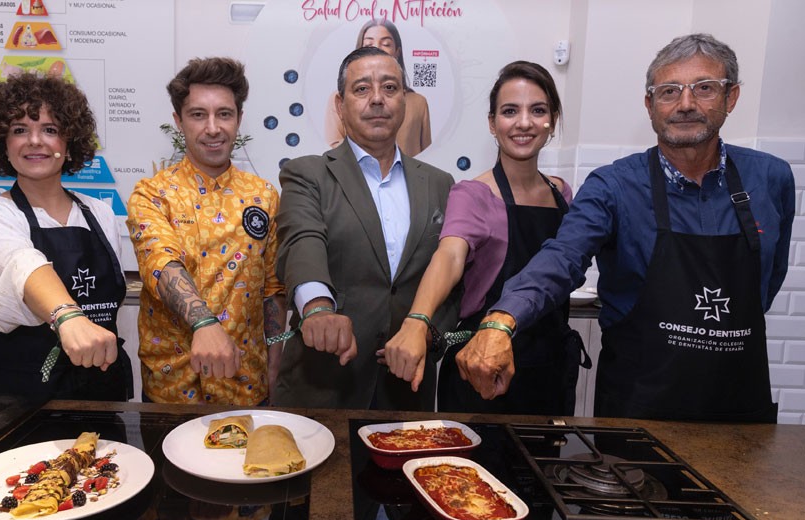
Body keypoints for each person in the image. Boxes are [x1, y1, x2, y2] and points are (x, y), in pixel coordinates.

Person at [456, 34, 795, 423]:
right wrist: (502, 319)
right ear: (650, 105)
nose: (686, 104)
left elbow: (766, 283)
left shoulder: (771, 178)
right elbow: (562, 257)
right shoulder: (614, 187)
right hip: (639, 408)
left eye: (704, 89)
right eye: (669, 91)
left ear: (731, 97)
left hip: (739, 408)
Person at [383, 61, 580, 415]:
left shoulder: (563, 193)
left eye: (538, 110)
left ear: (553, 121)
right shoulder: (473, 193)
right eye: (509, 111)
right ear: (492, 123)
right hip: (478, 370)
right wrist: (418, 320)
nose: (523, 123)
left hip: (549, 369)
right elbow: (450, 256)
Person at [274, 46, 457, 411]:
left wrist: (430, 334)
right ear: (340, 106)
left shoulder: (440, 183)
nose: (377, 99)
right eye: (361, 89)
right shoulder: (308, 173)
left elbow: (449, 274)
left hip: (407, 393)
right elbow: (302, 239)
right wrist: (318, 308)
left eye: (390, 88)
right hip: (322, 387)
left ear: (404, 102)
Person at [0, 72, 132, 401]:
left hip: (96, 392)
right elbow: (21, 264)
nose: (35, 141)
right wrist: (68, 316)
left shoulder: (101, 215)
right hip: (8, 394)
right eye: (19, 130)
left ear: (69, 143)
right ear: (3, 144)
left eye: (50, 130)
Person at [126, 57, 286, 405]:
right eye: (198, 114)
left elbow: (272, 290)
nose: (213, 128)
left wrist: (275, 363)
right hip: (171, 393)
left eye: (224, 114)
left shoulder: (264, 196)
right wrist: (204, 324)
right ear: (178, 122)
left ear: (239, 119)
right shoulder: (153, 194)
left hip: (245, 389)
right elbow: (161, 263)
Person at [324, 18, 432, 156]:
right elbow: (333, 148)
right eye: (369, 44)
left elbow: (428, 154)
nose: (377, 49)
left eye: (386, 44)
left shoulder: (418, 102)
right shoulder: (339, 98)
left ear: (397, 52)